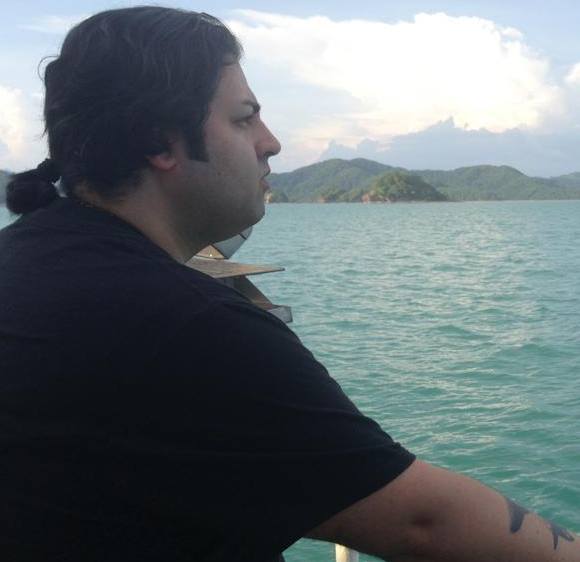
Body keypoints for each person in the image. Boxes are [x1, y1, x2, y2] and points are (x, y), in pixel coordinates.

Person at [0, 6, 577, 562]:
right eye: (243, 118)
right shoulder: (184, 324)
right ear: (159, 141)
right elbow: (423, 524)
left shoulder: (27, 264)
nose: (270, 142)